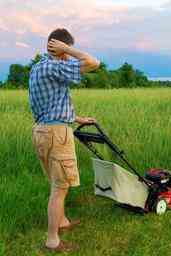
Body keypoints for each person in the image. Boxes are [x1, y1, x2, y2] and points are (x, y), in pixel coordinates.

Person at [29, 28, 100, 252]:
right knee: (60, 188)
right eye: (65, 50)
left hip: (42, 131)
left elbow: (51, 104)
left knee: (56, 183)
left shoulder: (38, 67)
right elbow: (93, 62)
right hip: (56, 134)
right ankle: (52, 240)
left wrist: (78, 118)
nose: (68, 55)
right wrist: (68, 49)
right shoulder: (54, 65)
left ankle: (62, 222)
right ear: (59, 48)